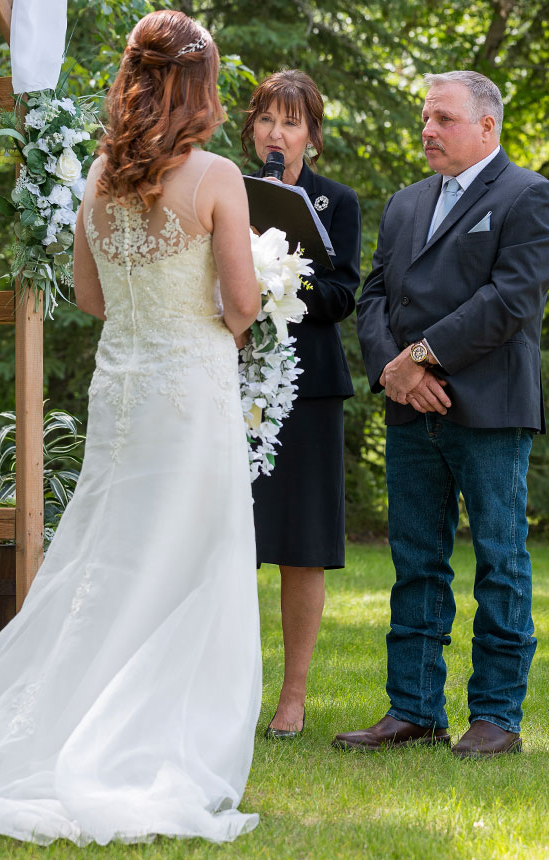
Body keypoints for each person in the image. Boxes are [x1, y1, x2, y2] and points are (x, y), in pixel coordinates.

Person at [0, 11, 264, 844]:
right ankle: (147, 740)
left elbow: (90, 298)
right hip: (191, 393)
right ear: (201, 86)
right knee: (191, 559)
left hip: (124, 391)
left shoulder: (101, 173)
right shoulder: (217, 176)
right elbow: (244, 305)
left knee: (108, 557)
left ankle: (48, 723)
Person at [340, 70, 549, 757]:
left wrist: (423, 358)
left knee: (500, 560)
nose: (428, 131)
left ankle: (496, 715)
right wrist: (395, 373)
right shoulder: (407, 203)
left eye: (442, 119)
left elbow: (511, 298)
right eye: (424, 119)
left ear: (487, 127)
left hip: (489, 412)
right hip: (412, 410)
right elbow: (373, 294)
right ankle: (413, 708)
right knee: (415, 561)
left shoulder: (531, 197)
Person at [239, 69, 360, 740]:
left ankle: (292, 696)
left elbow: (345, 293)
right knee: (227, 541)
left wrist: (279, 290)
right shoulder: (226, 188)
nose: (276, 134)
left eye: (290, 122)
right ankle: (227, 686)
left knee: (300, 547)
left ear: (311, 135)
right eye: (265, 120)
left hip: (307, 387)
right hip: (229, 382)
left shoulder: (334, 201)